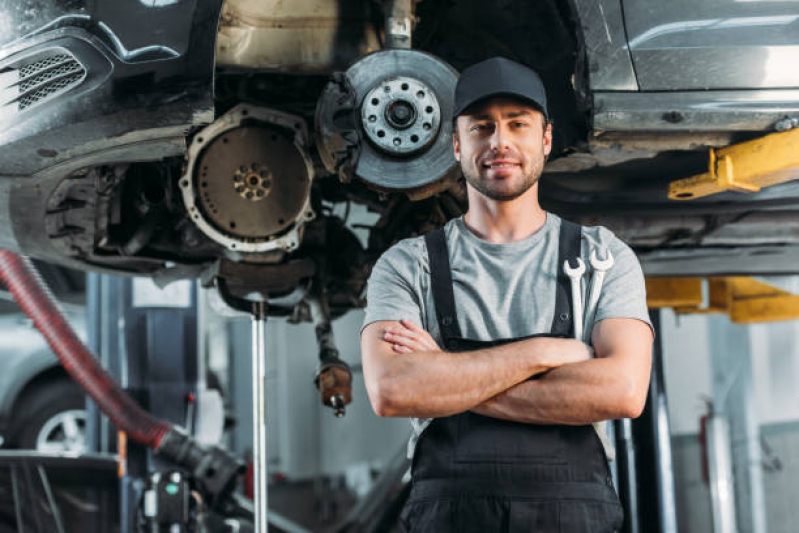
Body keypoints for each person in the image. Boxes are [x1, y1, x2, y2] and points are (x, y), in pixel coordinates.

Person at [360, 57, 654, 532]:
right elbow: (393, 389)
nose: (500, 141)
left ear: (546, 139)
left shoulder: (603, 256)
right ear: (457, 145)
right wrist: (545, 353)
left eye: (518, 124)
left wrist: (447, 378)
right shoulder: (406, 265)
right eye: (482, 127)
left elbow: (622, 392)